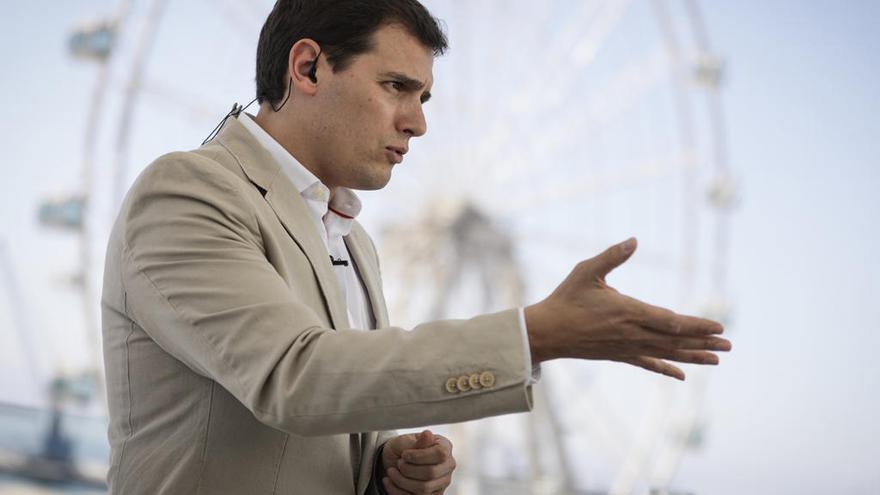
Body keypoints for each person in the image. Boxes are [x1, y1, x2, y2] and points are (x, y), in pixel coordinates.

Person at [101, 1, 731, 494]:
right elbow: (294, 378)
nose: (418, 122)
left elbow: (324, 412)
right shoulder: (187, 192)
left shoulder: (355, 242)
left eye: (423, 96)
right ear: (309, 67)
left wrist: (383, 468)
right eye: (397, 86)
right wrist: (536, 335)